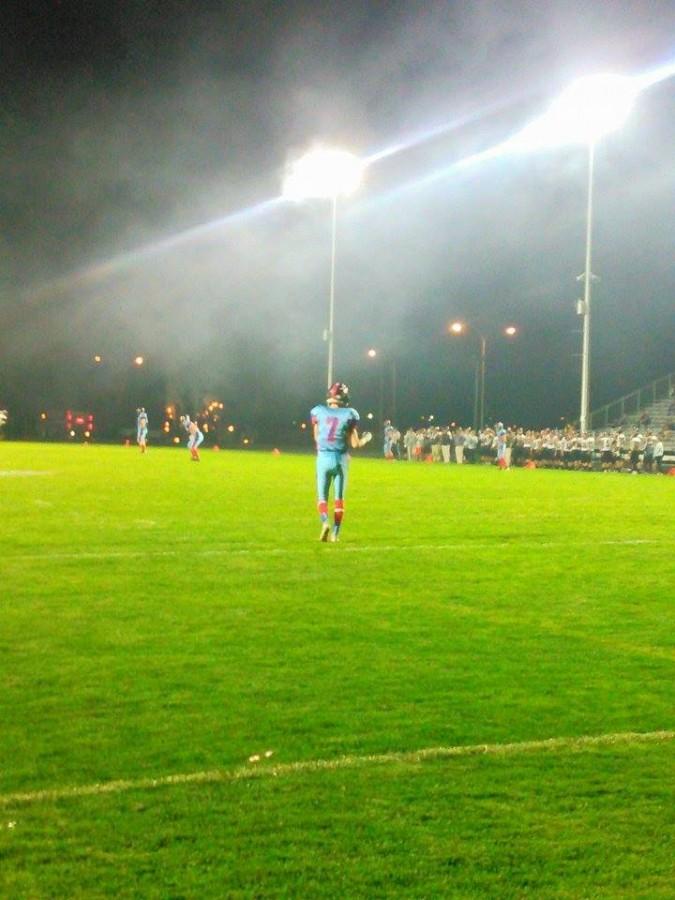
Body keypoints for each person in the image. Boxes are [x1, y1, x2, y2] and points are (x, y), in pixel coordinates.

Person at [310, 381, 372, 542]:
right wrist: (366, 438)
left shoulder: (318, 412)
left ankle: (325, 523)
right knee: (339, 499)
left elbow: (317, 437)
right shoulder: (349, 414)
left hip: (323, 458)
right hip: (340, 459)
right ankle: (335, 534)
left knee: (322, 497)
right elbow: (355, 443)